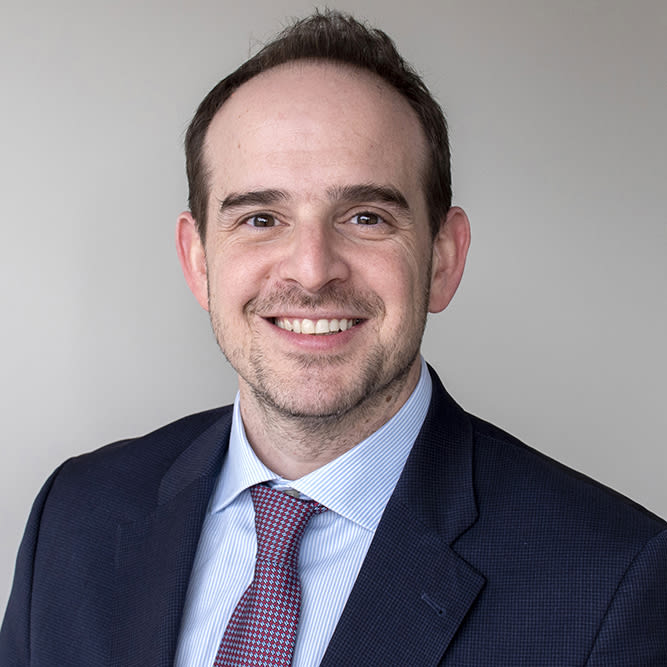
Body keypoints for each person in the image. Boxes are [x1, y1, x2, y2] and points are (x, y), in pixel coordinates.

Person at [1, 10, 665, 666]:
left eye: (366, 216)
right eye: (261, 218)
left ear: (443, 259)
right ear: (198, 261)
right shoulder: (76, 515)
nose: (313, 269)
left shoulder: (612, 582)